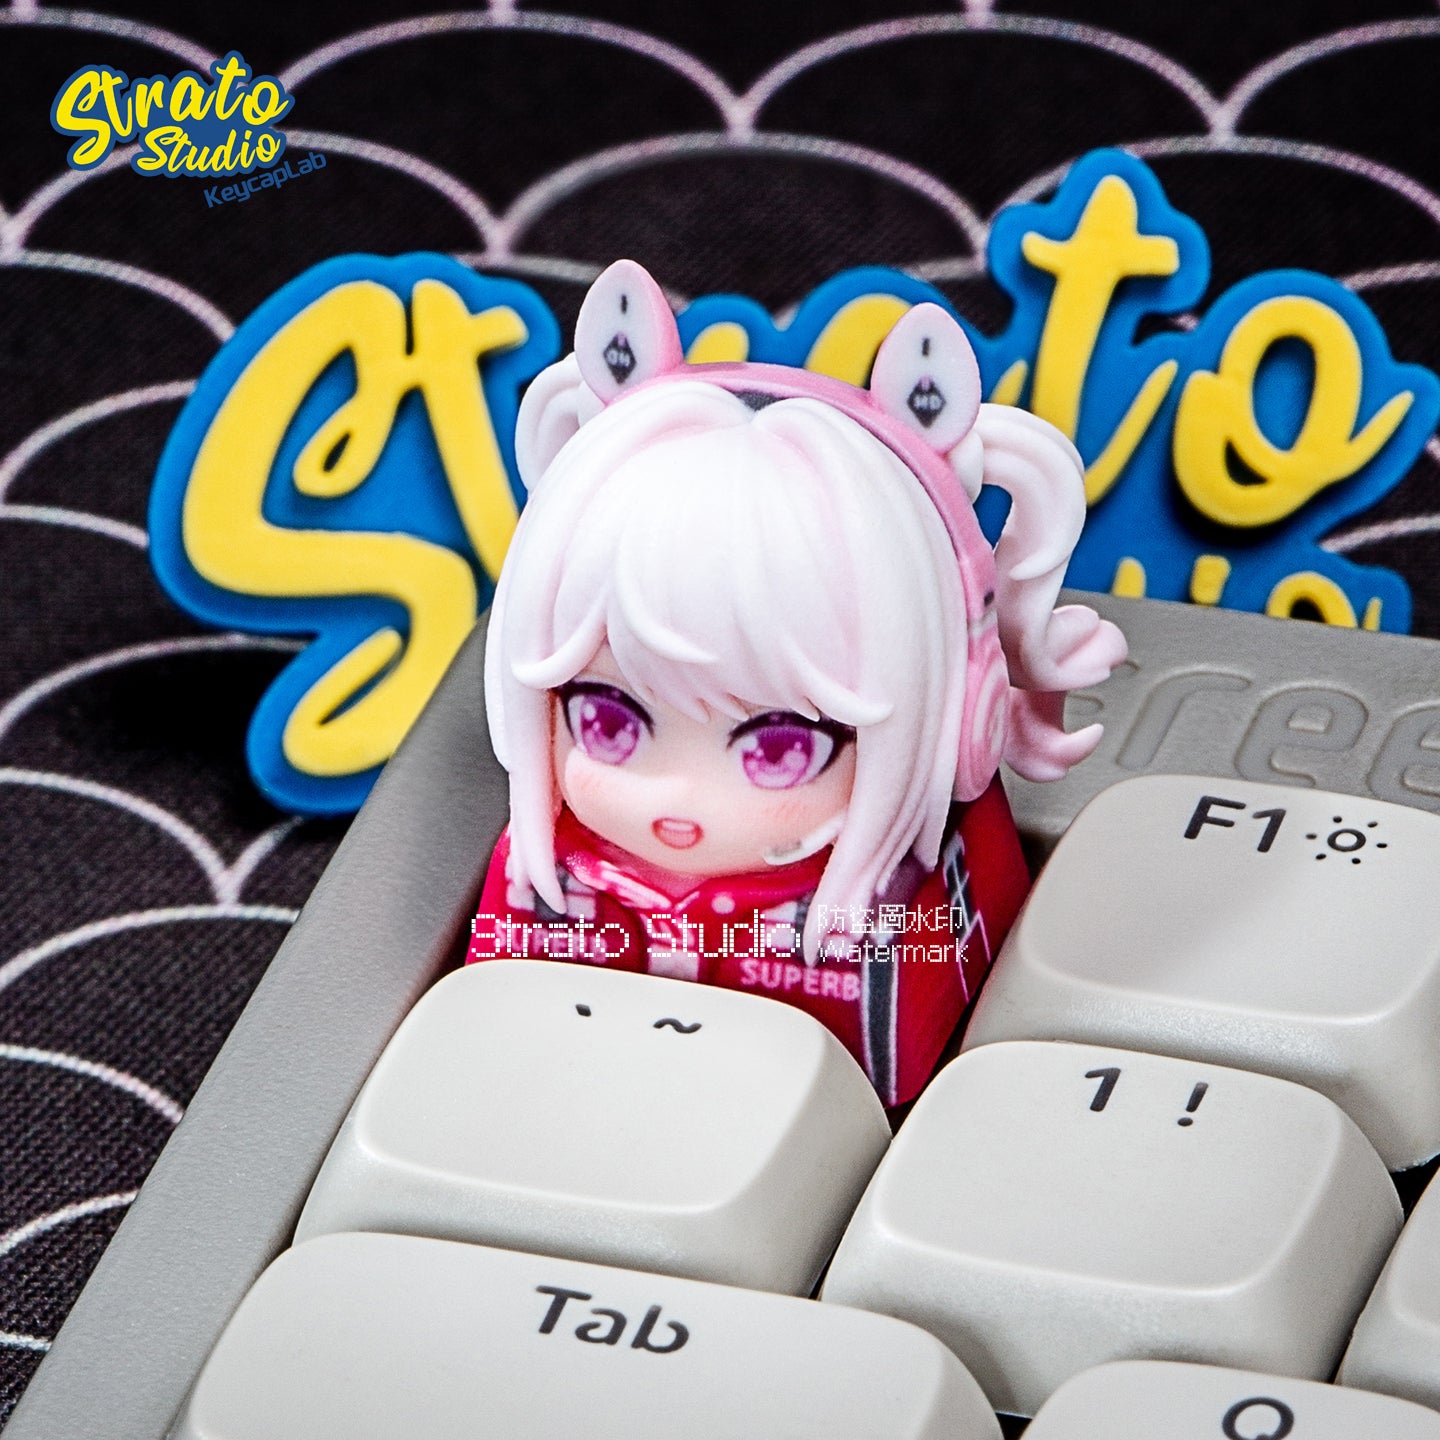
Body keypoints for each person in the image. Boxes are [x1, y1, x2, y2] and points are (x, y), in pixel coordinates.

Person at [467, 260, 1125, 1105]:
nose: (679, 801)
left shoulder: (896, 921)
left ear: (963, 725)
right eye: (607, 724)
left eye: (777, 751)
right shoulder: (541, 879)